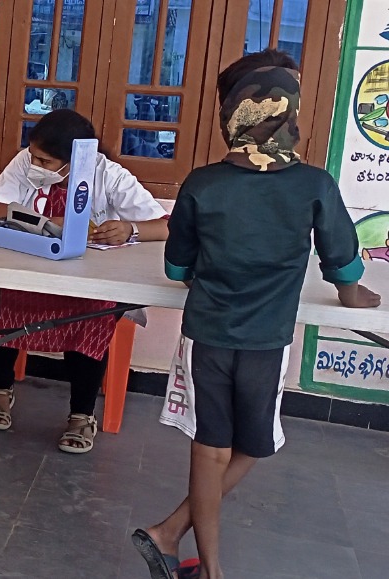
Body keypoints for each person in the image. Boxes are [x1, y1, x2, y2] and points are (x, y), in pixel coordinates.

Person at [131, 50, 381, 579]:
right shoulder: (314, 184)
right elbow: (342, 263)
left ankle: (195, 556)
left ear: (232, 118)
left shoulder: (203, 183)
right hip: (267, 342)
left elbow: (177, 267)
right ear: (291, 117)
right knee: (253, 445)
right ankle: (182, 548)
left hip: (208, 337)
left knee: (210, 450)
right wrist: (357, 297)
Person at [0, 109, 169, 453]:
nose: (34, 163)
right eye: (33, 155)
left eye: (46, 160)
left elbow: (166, 225)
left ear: (75, 161)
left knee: (94, 313)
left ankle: (81, 415)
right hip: (31, 272)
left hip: (87, 279)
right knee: (2, 298)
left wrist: (130, 229)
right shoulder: (25, 162)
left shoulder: (107, 175)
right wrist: (41, 220)